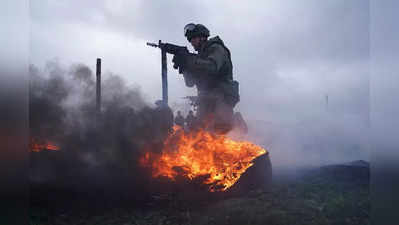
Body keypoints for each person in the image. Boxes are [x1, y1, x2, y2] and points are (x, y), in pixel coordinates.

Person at [172, 23, 239, 134]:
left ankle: (236, 121)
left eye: (194, 39)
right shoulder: (200, 57)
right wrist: (184, 66)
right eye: (190, 40)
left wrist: (189, 60)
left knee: (219, 130)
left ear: (202, 37)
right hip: (205, 100)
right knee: (199, 133)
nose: (192, 43)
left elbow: (211, 67)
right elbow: (190, 83)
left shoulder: (217, 48)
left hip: (221, 98)